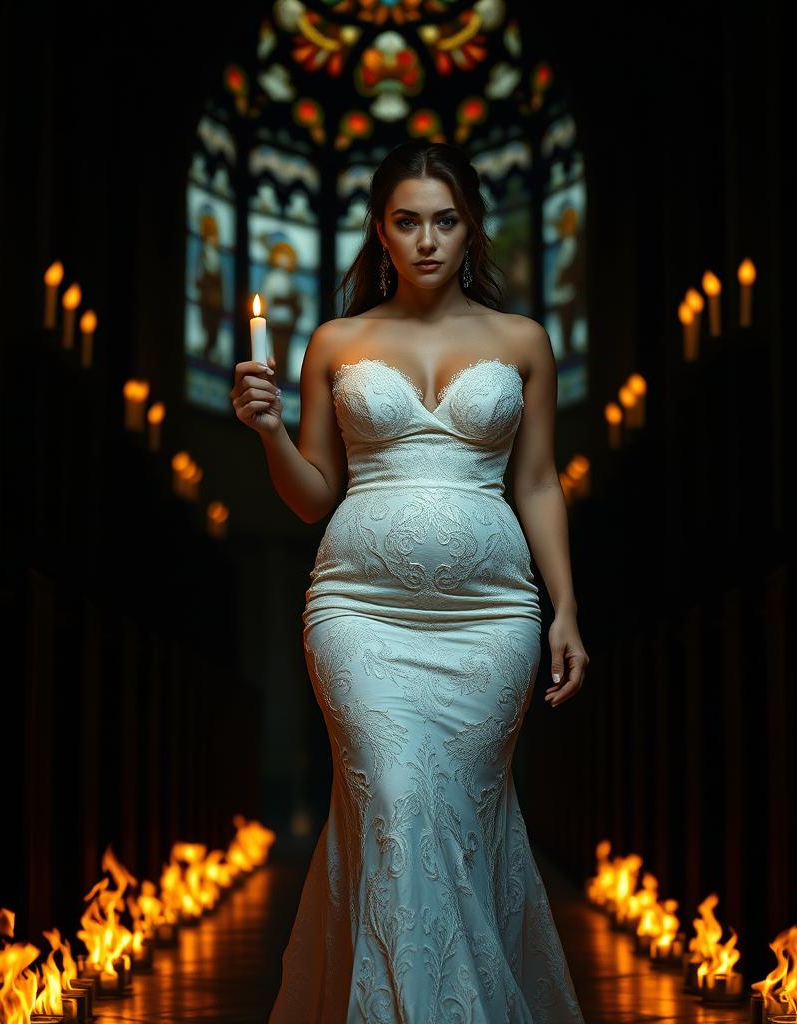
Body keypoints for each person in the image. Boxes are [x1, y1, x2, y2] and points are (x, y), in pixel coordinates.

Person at [232, 139, 588, 1023]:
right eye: (406, 222)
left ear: (471, 228)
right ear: (380, 233)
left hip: (492, 622)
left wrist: (566, 608)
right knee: (396, 801)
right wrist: (272, 432)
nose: (427, 240)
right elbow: (314, 496)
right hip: (359, 615)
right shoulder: (336, 340)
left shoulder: (524, 341)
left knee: (454, 828)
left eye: (445, 220)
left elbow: (537, 481)